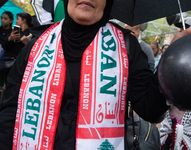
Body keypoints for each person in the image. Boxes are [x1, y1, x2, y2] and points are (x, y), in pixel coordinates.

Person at [0, 0, 170, 149]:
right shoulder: (36, 45)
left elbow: (151, 110)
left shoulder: (126, 47)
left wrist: (172, 63)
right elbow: (10, 112)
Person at [1, 12, 33, 85]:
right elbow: (4, 47)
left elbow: (34, 51)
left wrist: (26, 43)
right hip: (9, 64)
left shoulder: (31, 33)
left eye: (18, 19)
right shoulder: (13, 32)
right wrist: (9, 39)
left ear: (24, 20)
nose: (16, 21)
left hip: (22, 66)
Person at [0, 11, 13, 101]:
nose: (2, 20)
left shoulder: (13, 32)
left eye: (5, 18)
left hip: (7, 62)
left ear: (11, 20)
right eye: (1, 18)